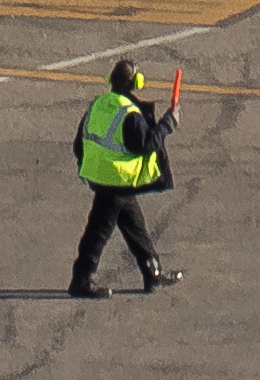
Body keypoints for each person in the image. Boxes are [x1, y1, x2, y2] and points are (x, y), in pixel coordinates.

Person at [70, 59, 180, 297]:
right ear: (136, 83)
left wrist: (89, 166)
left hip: (100, 177)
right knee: (98, 233)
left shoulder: (98, 104)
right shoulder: (128, 113)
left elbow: (79, 143)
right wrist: (167, 124)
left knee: (135, 226)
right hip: (117, 181)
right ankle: (81, 280)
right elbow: (147, 144)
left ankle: (153, 273)